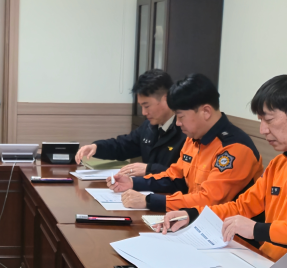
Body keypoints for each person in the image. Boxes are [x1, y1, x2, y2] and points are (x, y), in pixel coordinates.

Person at [155, 74, 287, 261]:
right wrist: (193, 214)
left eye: (269, 119)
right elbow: (241, 207)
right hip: (265, 263)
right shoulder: (279, 164)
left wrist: (258, 230)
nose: (263, 129)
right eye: (260, 120)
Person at [108, 74, 262, 211]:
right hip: (192, 219)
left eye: (181, 117)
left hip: (229, 230)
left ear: (206, 112)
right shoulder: (194, 139)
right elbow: (175, 177)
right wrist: (134, 183)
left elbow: (209, 200)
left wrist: (150, 201)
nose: (177, 123)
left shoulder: (234, 148)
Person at [74, 69, 186, 178]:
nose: (144, 112)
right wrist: (97, 147)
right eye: (141, 106)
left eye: (147, 106)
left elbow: (183, 175)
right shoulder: (148, 127)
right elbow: (122, 146)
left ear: (166, 98)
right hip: (148, 188)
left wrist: (149, 169)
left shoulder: (186, 131)